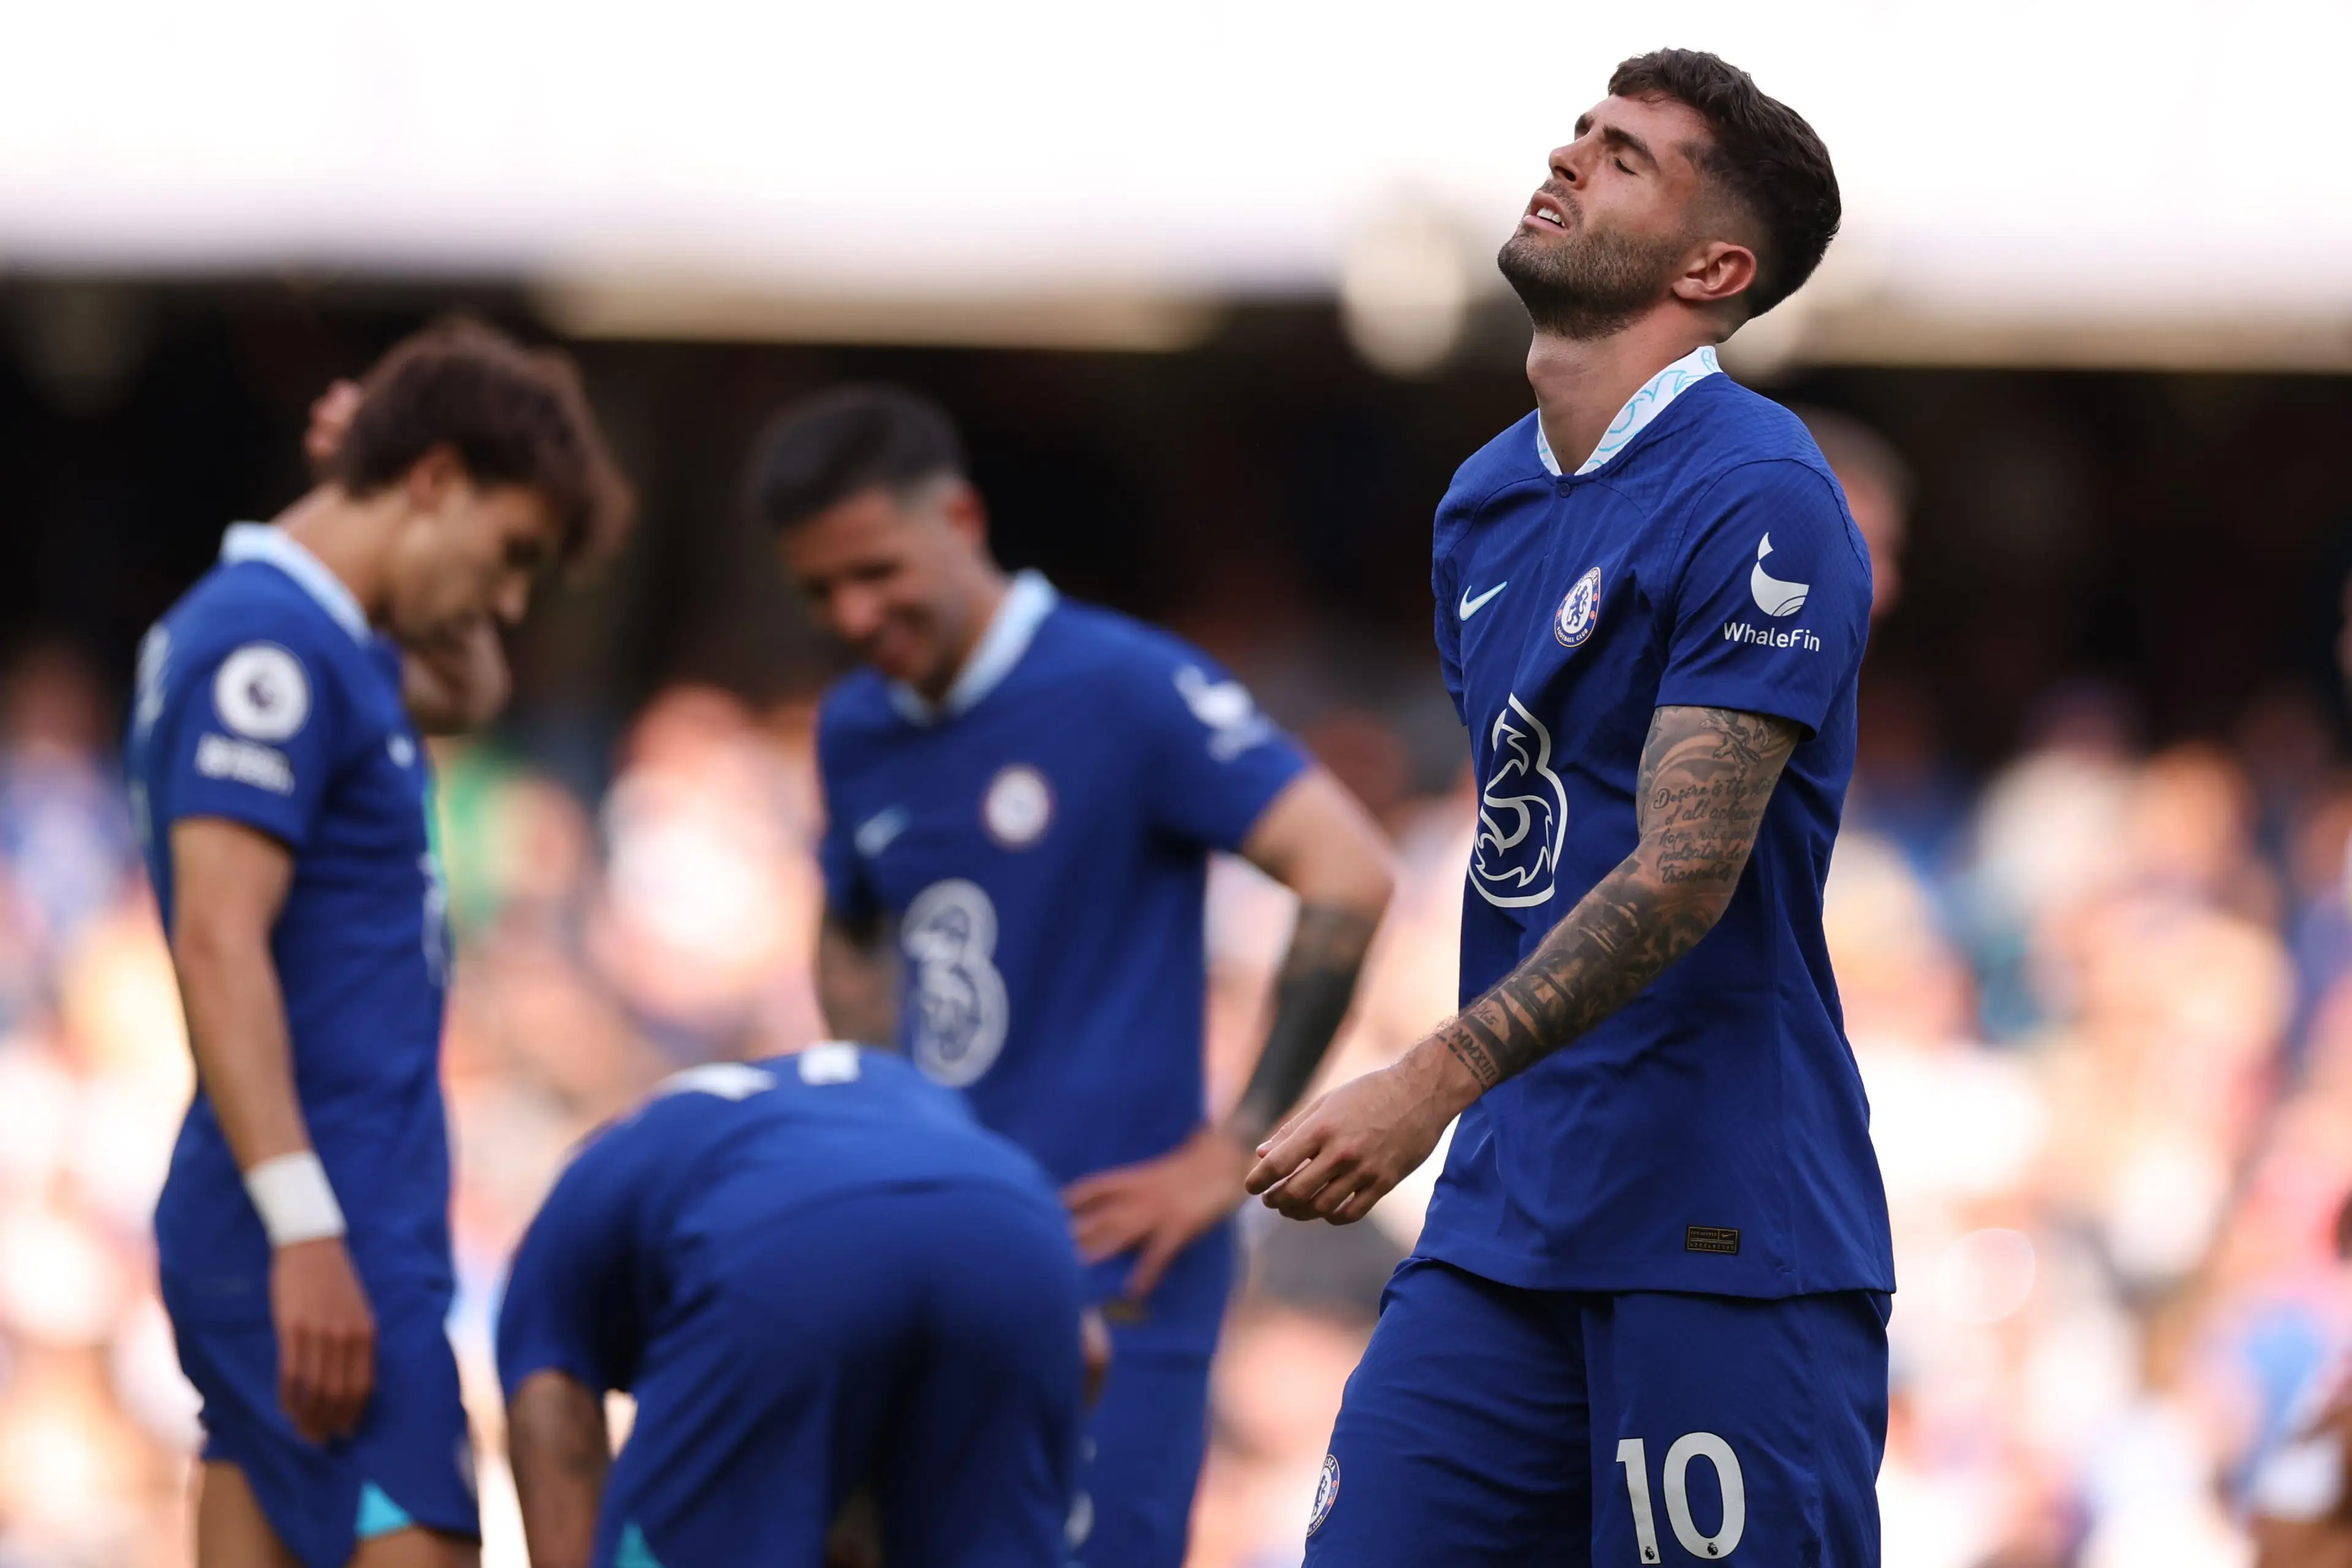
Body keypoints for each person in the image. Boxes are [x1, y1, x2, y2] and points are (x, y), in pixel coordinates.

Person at [1245, 48, 1896, 1563]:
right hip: (1505, 1213)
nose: (1566, 156)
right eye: (1580, 132)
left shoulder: (1758, 492)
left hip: (1717, 1226)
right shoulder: (1481, 497)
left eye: (1624, 159)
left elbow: (1680, 875)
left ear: (1712, 264)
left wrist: (1425, 1077)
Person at [760, 385, 1396, 1568]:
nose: (853, 612)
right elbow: (849, 921)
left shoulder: (1122, 687)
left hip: (1115, 1257)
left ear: (958, 516)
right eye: (818, 590)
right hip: (929, 1251)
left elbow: (1346, 869)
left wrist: (1233, 1150)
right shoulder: (855, 728)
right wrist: (882, 1111)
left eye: (875, 570)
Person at [126, 320, 631, 1568]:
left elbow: (472, 691)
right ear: (439, 479)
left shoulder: (328, 641)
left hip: (331, 1216)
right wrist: (305, 1226)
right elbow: (216, 935)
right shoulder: (270, 643)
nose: (508, 602)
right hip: (317, 1220)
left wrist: (371, 479)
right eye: (511, 554)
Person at [498, 1041, 1091, 1568]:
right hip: (1015, 1225)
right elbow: (1089, 1353)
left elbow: (554, 1416)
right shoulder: (876, 1086)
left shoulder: (572, 1206)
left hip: (780, 1246)